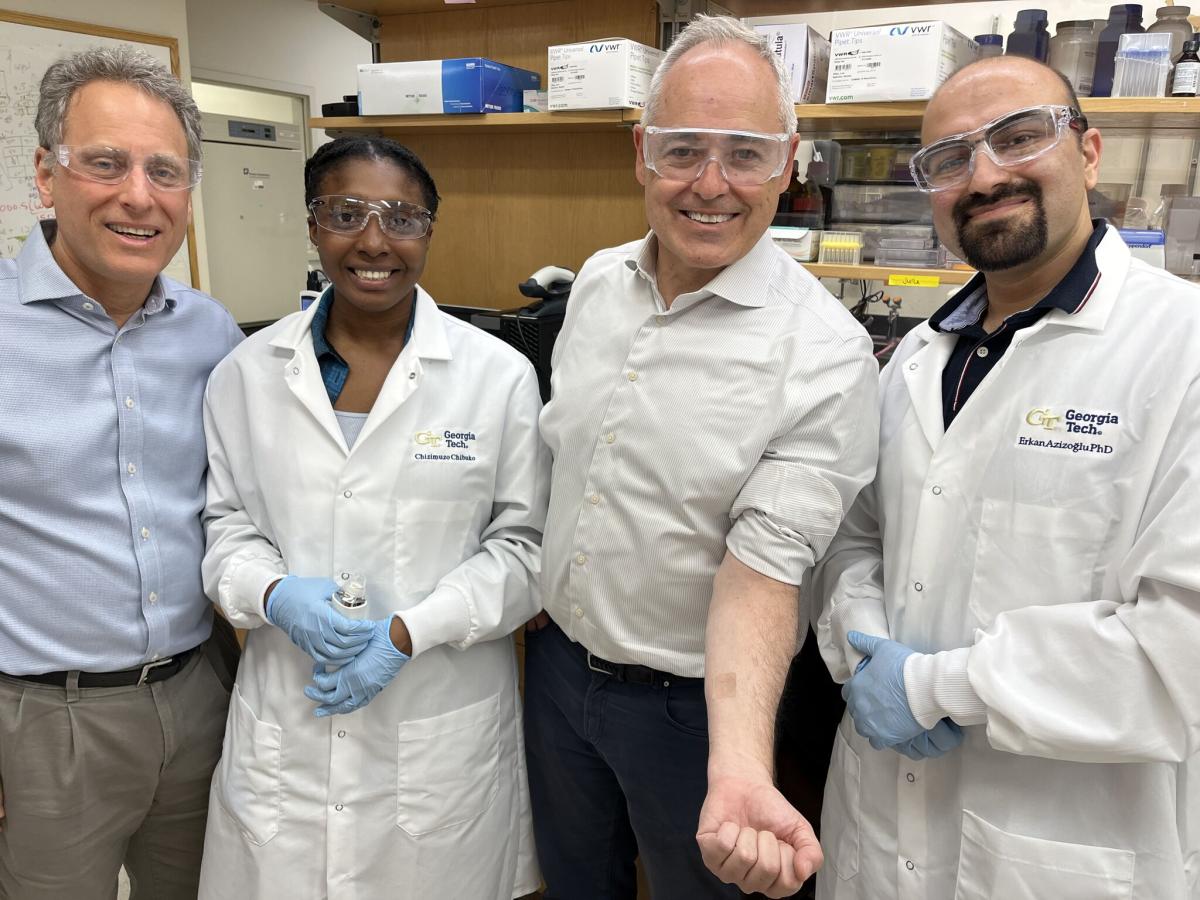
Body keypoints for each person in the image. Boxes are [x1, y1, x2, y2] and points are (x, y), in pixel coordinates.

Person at [811, 54, 1200, 899]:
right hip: (879, 825)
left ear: (1088, 153)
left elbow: (1184, 647)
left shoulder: (1183, 346)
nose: (984, 175)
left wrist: (936, 686)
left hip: (1068, 846)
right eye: (948, 160)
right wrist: (861, 640)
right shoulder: (915, 356)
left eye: (1019, 137)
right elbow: (853, 537)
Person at [526, 15, 880, 899]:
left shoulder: (825, 354)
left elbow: (765, 568)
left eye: (747, 153)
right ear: (642, 152)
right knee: (575, 883)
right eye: (683, 150)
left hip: (692, 714)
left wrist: (740, 767)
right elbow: (567, 461)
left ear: (788, 160)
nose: (711, 185)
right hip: (560, 675)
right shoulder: (601, 283)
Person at [197, 135, 548, 899]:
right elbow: (226, 528)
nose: (374, 241)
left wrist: (406, 633)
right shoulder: (245, 374)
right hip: (288, 725)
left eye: (402, 218)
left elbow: (525, 551)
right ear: (313, 225)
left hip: (437, 726)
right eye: (346, 213)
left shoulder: (498, 377)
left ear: (429, 231)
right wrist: (273, 595)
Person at [0, 47, 243, 898]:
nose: (138, 195)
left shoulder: (215, 336)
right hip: (39, 723)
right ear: (46, 173)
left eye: (164, 171)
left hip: (201, 695)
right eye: (105, 162)